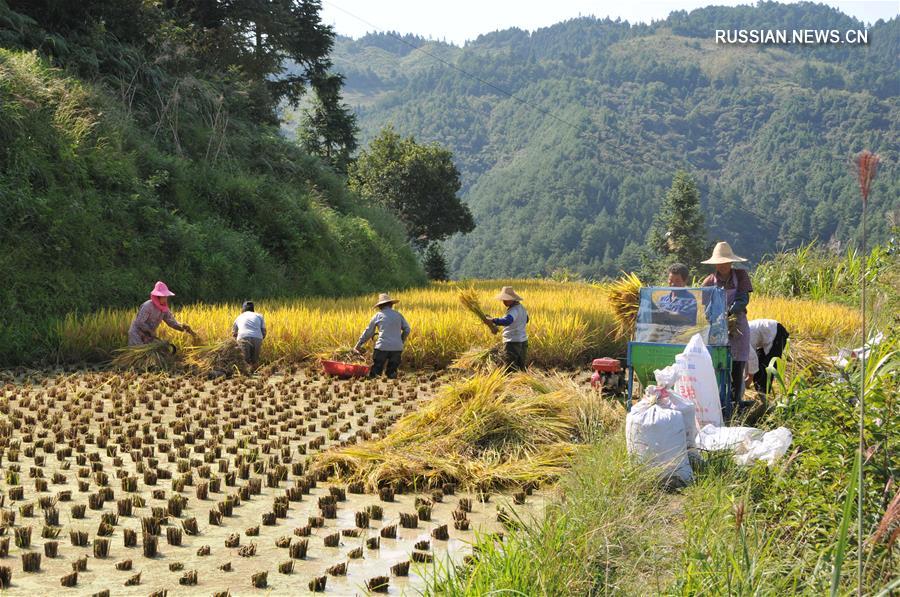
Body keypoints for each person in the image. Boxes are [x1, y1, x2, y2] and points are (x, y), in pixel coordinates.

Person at [701, 242, 752, 411]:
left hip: (737, 326)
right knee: (718, 365)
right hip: (717, 327)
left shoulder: (741, 276)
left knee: (737, 366)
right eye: (719, 262)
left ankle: (736, 403)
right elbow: (706, 308)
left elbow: (743, 299)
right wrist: (716, 316)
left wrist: (729, 312)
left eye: (725, 262)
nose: (722, 265)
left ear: (731, 262)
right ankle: (719, 403)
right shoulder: (709, 281)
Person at [354, 293, 411, 379]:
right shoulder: (398, 315)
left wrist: (357, 346)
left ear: (380, 306)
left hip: (382, 348)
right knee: (392, 373)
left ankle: (375, 383)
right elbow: (407, 329)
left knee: (375, 373)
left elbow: (368, 332)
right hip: (397, 349)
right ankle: (392, 382)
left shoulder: (378, 316)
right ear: (391, 304)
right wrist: (401, 340)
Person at [128, 281, 193, 346]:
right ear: (157, 296)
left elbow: (171, 322)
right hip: (137, 334)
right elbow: (140, 322)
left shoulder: (164, 308)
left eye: (166, 297)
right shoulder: (148, 306)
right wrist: (150, 331)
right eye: (164, 297)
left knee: (155, 350)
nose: (166, 299)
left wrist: (182, 327)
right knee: (139, 351)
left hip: (148, 335)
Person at [484, 286, 529, 370]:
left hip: (512, 342)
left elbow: (507, 321)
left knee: (510, 367)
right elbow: (526, 320)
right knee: (520, 367)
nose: (504, 301)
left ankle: (511, 378)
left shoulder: (513, 310)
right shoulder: (522, 308)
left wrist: (493, 320)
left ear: (512, 299)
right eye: (503, 299)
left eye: (506, 299)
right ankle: (521, 378)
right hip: (523, 341)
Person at [746, 319, 790, 394]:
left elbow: (752, 358)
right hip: (764, 338)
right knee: (758, 368)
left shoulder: (741, 340)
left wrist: (749, 378)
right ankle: (759, 392)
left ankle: (763, 394)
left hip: (777, 332)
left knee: (767, 367)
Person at [232, 301, 266, 368]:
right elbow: (264, 331)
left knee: (245, 360)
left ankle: (247, 372)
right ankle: (255, 371)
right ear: (253, 308)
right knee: (255, 360)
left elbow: (234, 333)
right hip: (257, 337)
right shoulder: (259, 316)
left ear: (243, 309)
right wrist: (260, 339)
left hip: (243, 337)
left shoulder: (239, 317)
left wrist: (237, 342)